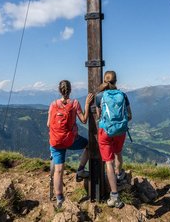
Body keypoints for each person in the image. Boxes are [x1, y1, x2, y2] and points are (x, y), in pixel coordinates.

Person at [47, 80, 93, 209]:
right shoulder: (75, 103)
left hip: (56, 142)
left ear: (59, 90)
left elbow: (48, 124)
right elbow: (84, 120)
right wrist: (88, 104)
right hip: (71, 140)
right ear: (71, 90)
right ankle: (80, 170)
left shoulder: (53, 104)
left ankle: (60, 199)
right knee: (89, 146)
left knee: (59, 170)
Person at [95, 71, 132, 208]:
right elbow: (129, 115)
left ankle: (115, 196)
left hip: (105, 131)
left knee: (108, 162)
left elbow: (99, 116)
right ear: (116, 81)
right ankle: (119, 175)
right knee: (118, 152)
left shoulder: (99, 96)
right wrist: (120, 124)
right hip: (121, 131)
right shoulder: (123, 95)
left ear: (105, 80)